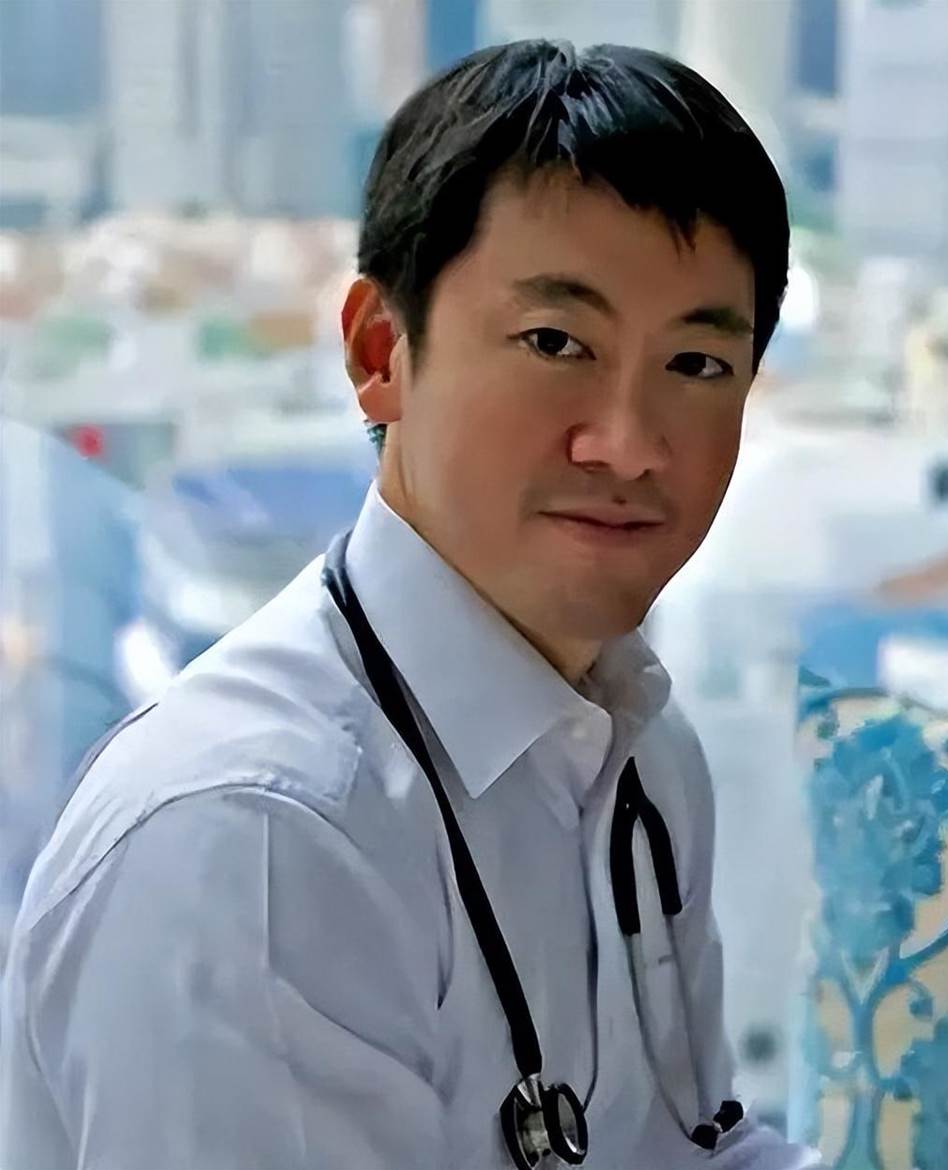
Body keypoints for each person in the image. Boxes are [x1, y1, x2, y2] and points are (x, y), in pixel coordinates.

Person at [0, 40, 823, 1169]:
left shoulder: (636, 749)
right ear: (381, 351)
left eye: (696, 366)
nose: (629, 444)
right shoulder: (261, 844)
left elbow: (693, 1148)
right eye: (556, 343)